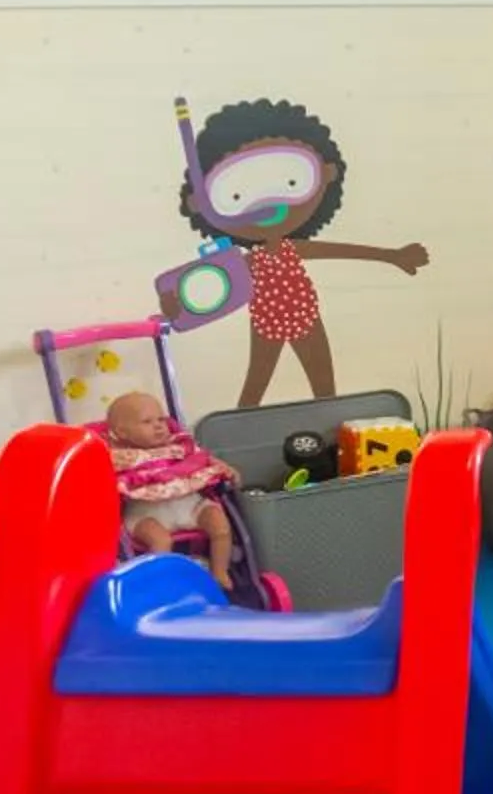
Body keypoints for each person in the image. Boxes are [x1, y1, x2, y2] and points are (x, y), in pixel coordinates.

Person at [168, 97, 429, 407]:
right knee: (256, 384)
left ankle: (331, 428)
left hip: (305, 316)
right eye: (235, 195)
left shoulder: (290, 249)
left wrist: (393, 256)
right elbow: (210, 293)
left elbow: (337, 250)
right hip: (267, 322)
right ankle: (240, 431)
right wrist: (176, 307)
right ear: (202, 206)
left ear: (327, 172)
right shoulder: (245, 262)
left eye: (293, 180)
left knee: (323, 385)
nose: (267, 204)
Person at [106, 390, 238, 589]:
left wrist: (224, 468)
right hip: (146, 512)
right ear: (123, 432)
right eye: (147, 422)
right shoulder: (119, 456)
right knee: (160, 541)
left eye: (161, 419)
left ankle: (220, 572)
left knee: (220, 525)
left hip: (189, 505)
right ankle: (159, 582)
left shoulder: (178, 444)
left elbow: (202, 458)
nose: (159, 426)